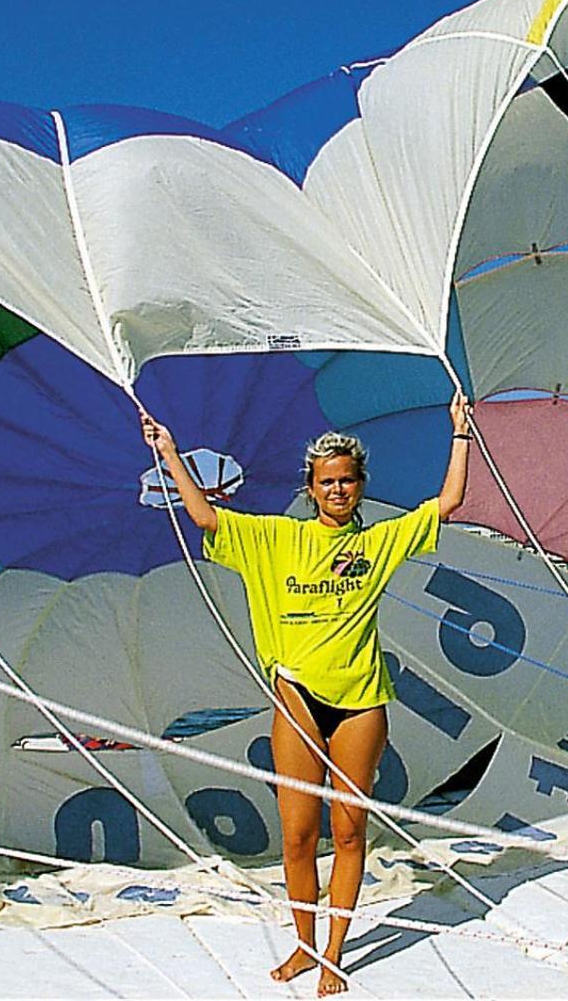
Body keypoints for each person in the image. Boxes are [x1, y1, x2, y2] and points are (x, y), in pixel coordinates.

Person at [142, 391, 472, 993]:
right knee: (297, 836)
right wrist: (169, 453)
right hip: (295, 703)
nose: (338, 491)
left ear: (360, 486)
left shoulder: (379, 542)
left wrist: (460, 433)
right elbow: (206, 519)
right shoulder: (274, 540)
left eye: (347, 481)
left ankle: (333, 953)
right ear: (311, 488)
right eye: (327, 482)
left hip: (361, 704)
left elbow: (449, 503)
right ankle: (302, 945)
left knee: (348, 831)